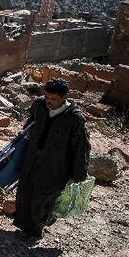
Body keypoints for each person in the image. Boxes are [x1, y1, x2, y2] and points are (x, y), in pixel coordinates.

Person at [14, 77, 91, 239]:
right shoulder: (39, 105)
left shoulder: (74, 118)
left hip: (56, 166)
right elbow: (31, 121)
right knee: (25, 192)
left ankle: (35, 232)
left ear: (64, 97)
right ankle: (24, 226)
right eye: (47, 97)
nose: (48, 101)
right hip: (33, 159)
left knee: (42, 198)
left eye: (53, 99)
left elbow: (81, 147)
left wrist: (79, 173)